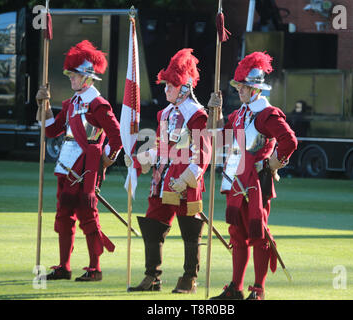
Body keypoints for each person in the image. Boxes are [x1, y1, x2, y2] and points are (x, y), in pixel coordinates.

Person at [208, 51, 298, 300]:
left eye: (244, 86)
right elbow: (216, 138)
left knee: (258, 234)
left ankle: (258, 290)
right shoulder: (239, 114)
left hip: (255, 182)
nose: (239, 90)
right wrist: (213, 112)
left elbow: (289, 140)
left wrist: (274, 164)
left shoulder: (266, 113)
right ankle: (235, 289)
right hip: (234, 179)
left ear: (256, 89)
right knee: (237, 236)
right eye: (238, 85)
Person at [35, 40, 122, 282]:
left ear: (87, 77)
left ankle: (95, 268)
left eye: (74, 75)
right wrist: (43, 105)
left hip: (85, 170)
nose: (70, 79)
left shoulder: (98, 104)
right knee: (63, 217)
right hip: (65, 166)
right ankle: (64, 266)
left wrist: (105, 160)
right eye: (70, 74)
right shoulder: (72, 103)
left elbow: (116, 136)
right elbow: (51, 131)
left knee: (88, 217)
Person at [126, 48, 211, 294]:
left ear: (184, 88)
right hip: (162, 178)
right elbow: (162, 148)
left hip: (185, 181)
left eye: (170, 86)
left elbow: (203, 153)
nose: (166, 90)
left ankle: (189, 278)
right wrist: (142, 159)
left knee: (190, 230)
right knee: (152, 224)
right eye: (165, 86)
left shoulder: (198, 116)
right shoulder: (164, 113)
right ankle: (152, 276)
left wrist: (188, 178)